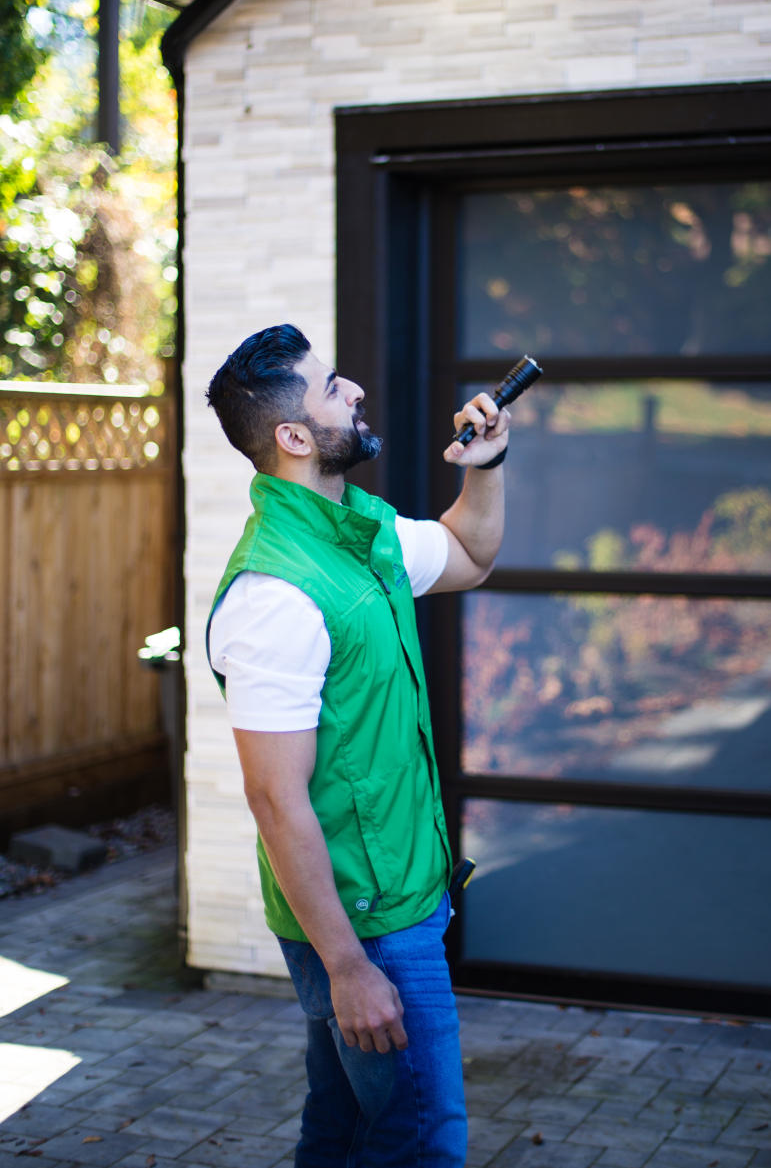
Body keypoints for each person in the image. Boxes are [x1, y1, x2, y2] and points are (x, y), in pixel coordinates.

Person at [204, 323, 509, 1168]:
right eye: (333, 387)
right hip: (365, 929)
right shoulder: (277, 593)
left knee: (341, 1135)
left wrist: (484, 468)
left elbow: (471, 554)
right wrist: (348, 967)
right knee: (420, 1146)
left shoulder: (359, 535)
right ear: (294, 438)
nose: (357, 391)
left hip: (398, 904)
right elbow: (276, 798)